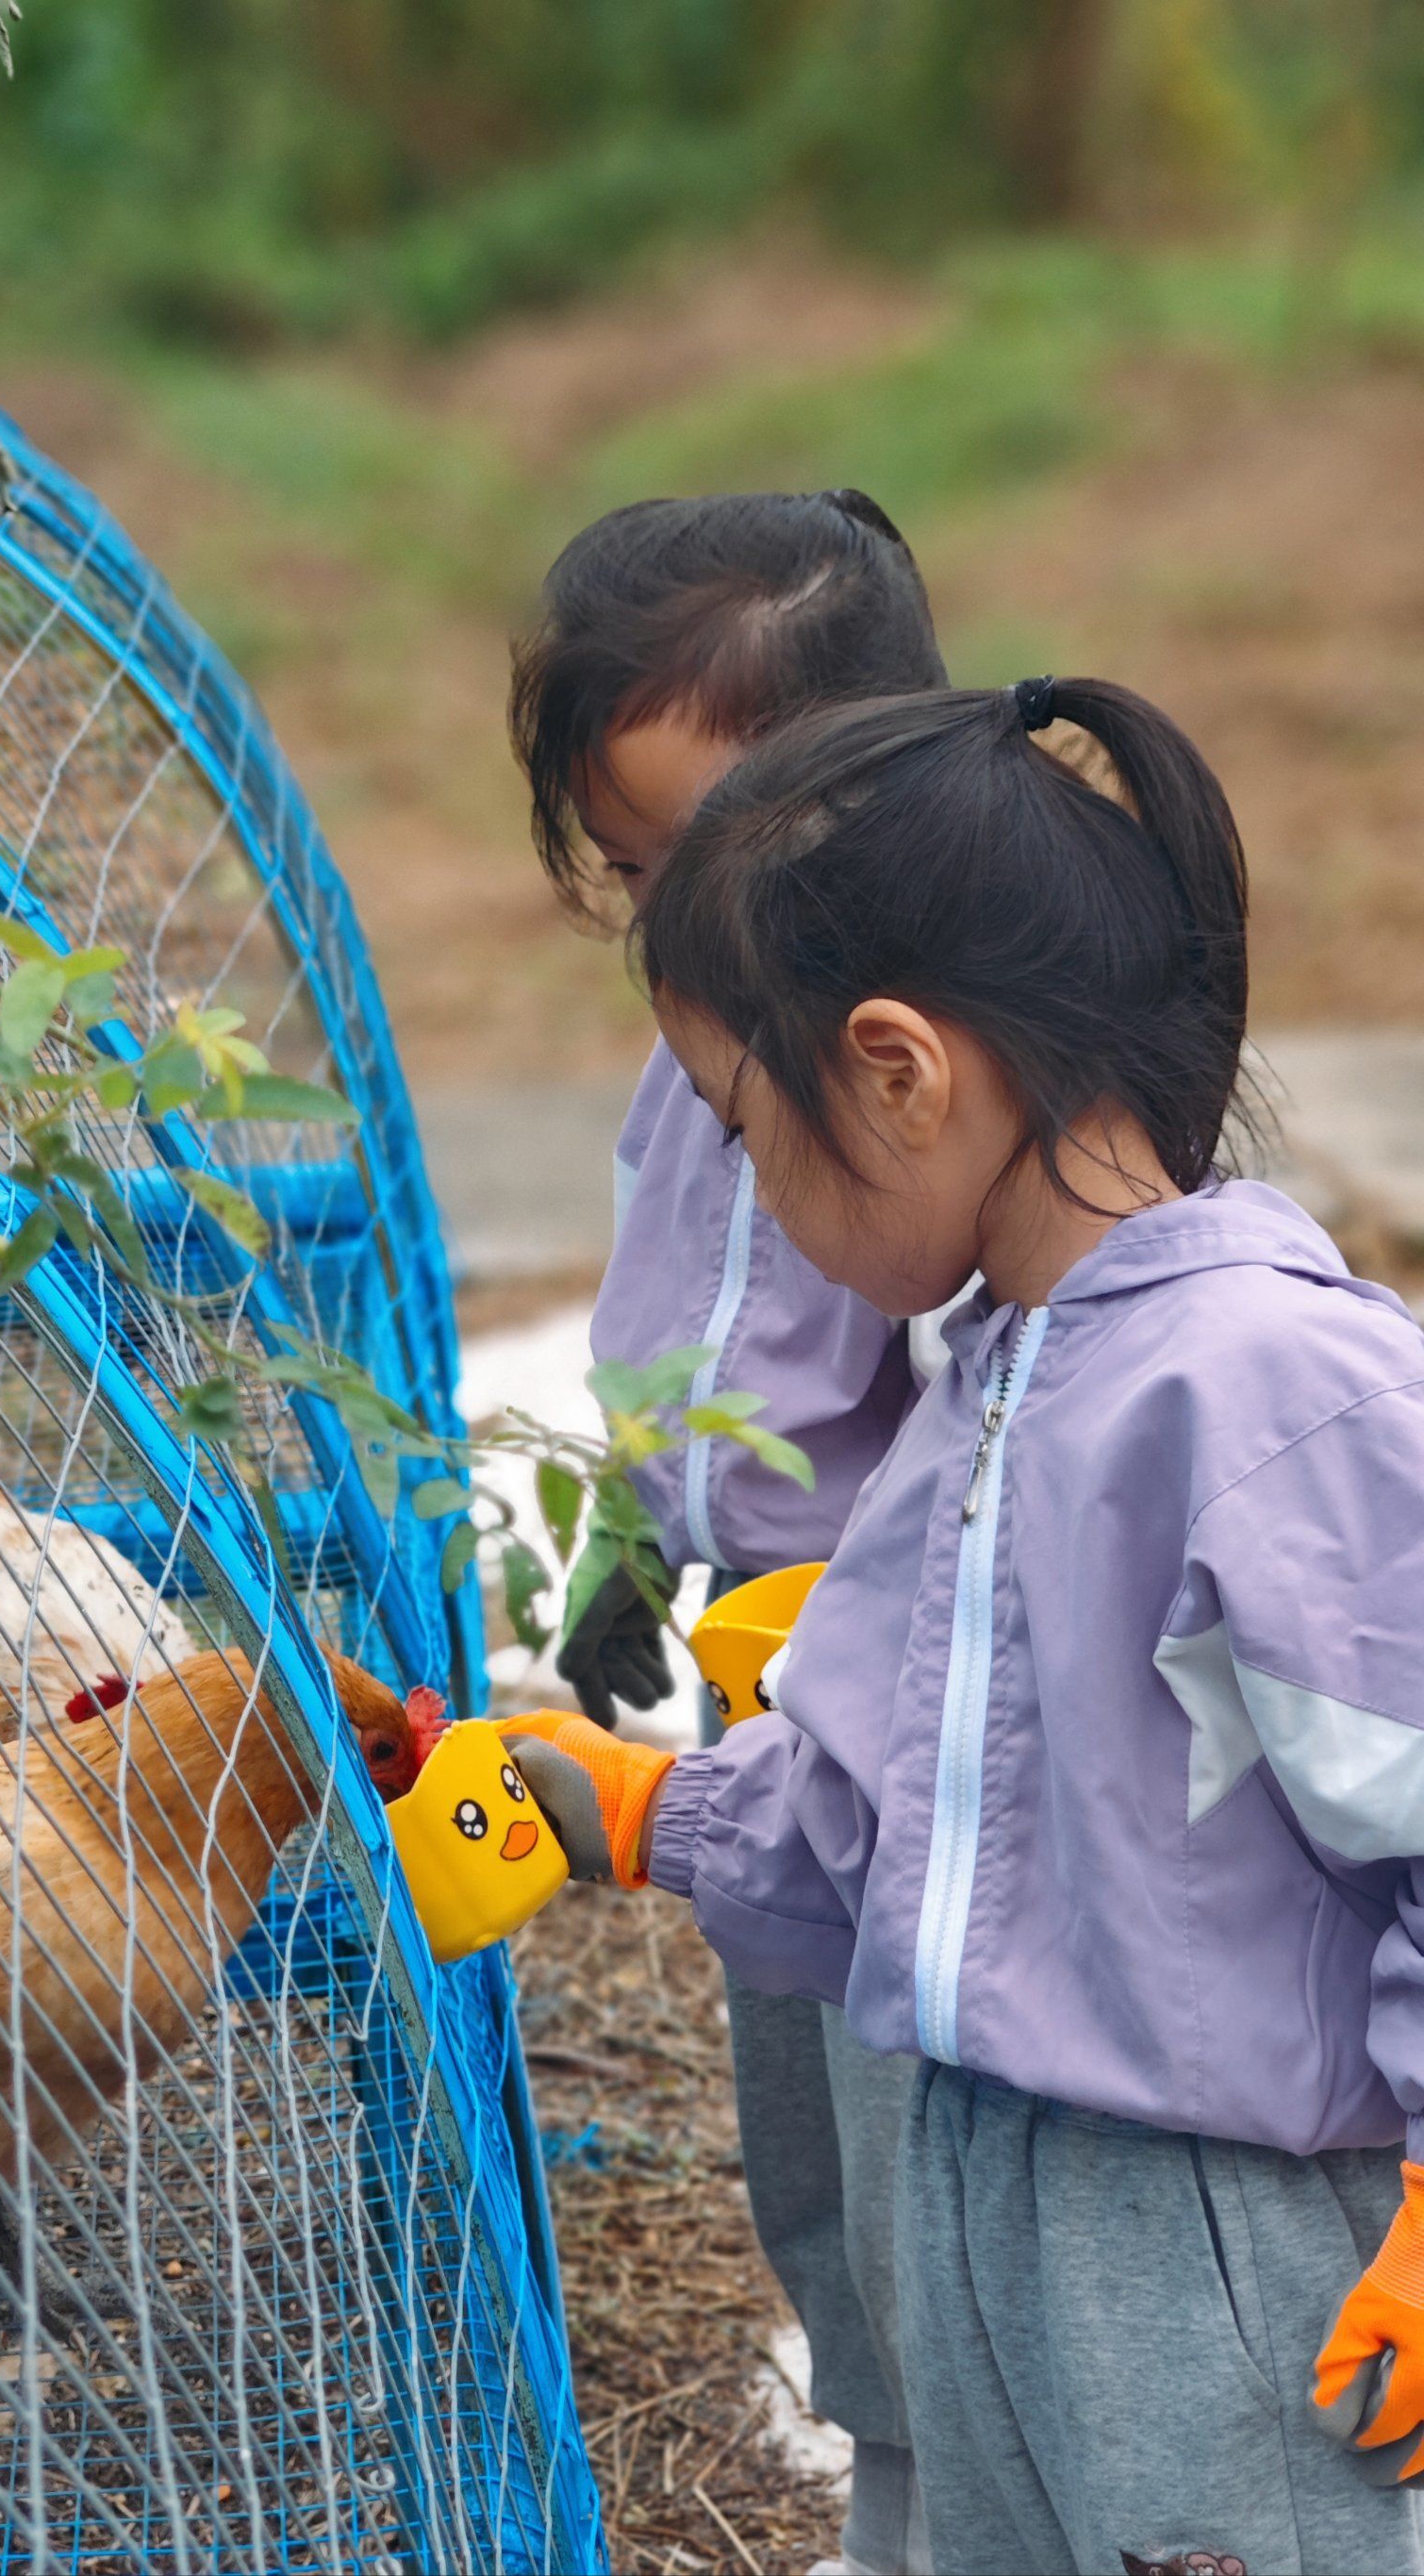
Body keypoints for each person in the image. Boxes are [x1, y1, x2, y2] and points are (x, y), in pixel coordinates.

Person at [504, 673, 1424, 2576]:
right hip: (986, 2193)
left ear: (898, 1071)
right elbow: (910, 1812)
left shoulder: (1264, 1389)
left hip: (1217, 2247)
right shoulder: (997, 1383)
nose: (754, 1199)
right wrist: (645, 1812)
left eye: (746, 1133)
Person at [510, 491, 948, 2576]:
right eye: (629, 875)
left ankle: (971, 2486)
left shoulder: (924, 1104)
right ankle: (891, 2462)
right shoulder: (692, 1069)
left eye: (696, 860)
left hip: (919, 1713)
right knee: (811, 2125)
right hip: (755, 1667)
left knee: (923, 2117)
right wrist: (627, 1522)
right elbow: (671, 1321)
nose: (662, 920)